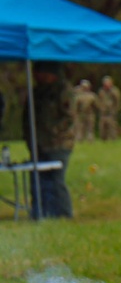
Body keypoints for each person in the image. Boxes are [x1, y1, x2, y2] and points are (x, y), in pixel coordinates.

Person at [23, 61, 75, 218]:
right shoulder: (37, 92)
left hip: (58, 144)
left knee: (56, 181)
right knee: (38, 181)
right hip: (38, 143)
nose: (35, 76)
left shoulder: (63, 90)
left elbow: (69, 117)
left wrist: (54, 131)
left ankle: (64, 213)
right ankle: (41, 212)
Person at [97, 75, 121, 141]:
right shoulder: (101, 91)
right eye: (105, 83)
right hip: (103, 112)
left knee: (112, 127)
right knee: (102, 128)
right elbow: (99, 100)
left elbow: (117, 101)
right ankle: (103, 140)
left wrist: (115, 110)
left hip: (111, 112)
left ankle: (113, 140)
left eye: (108, 82)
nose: (106, 84)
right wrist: (100, 107)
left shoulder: (115, 91)